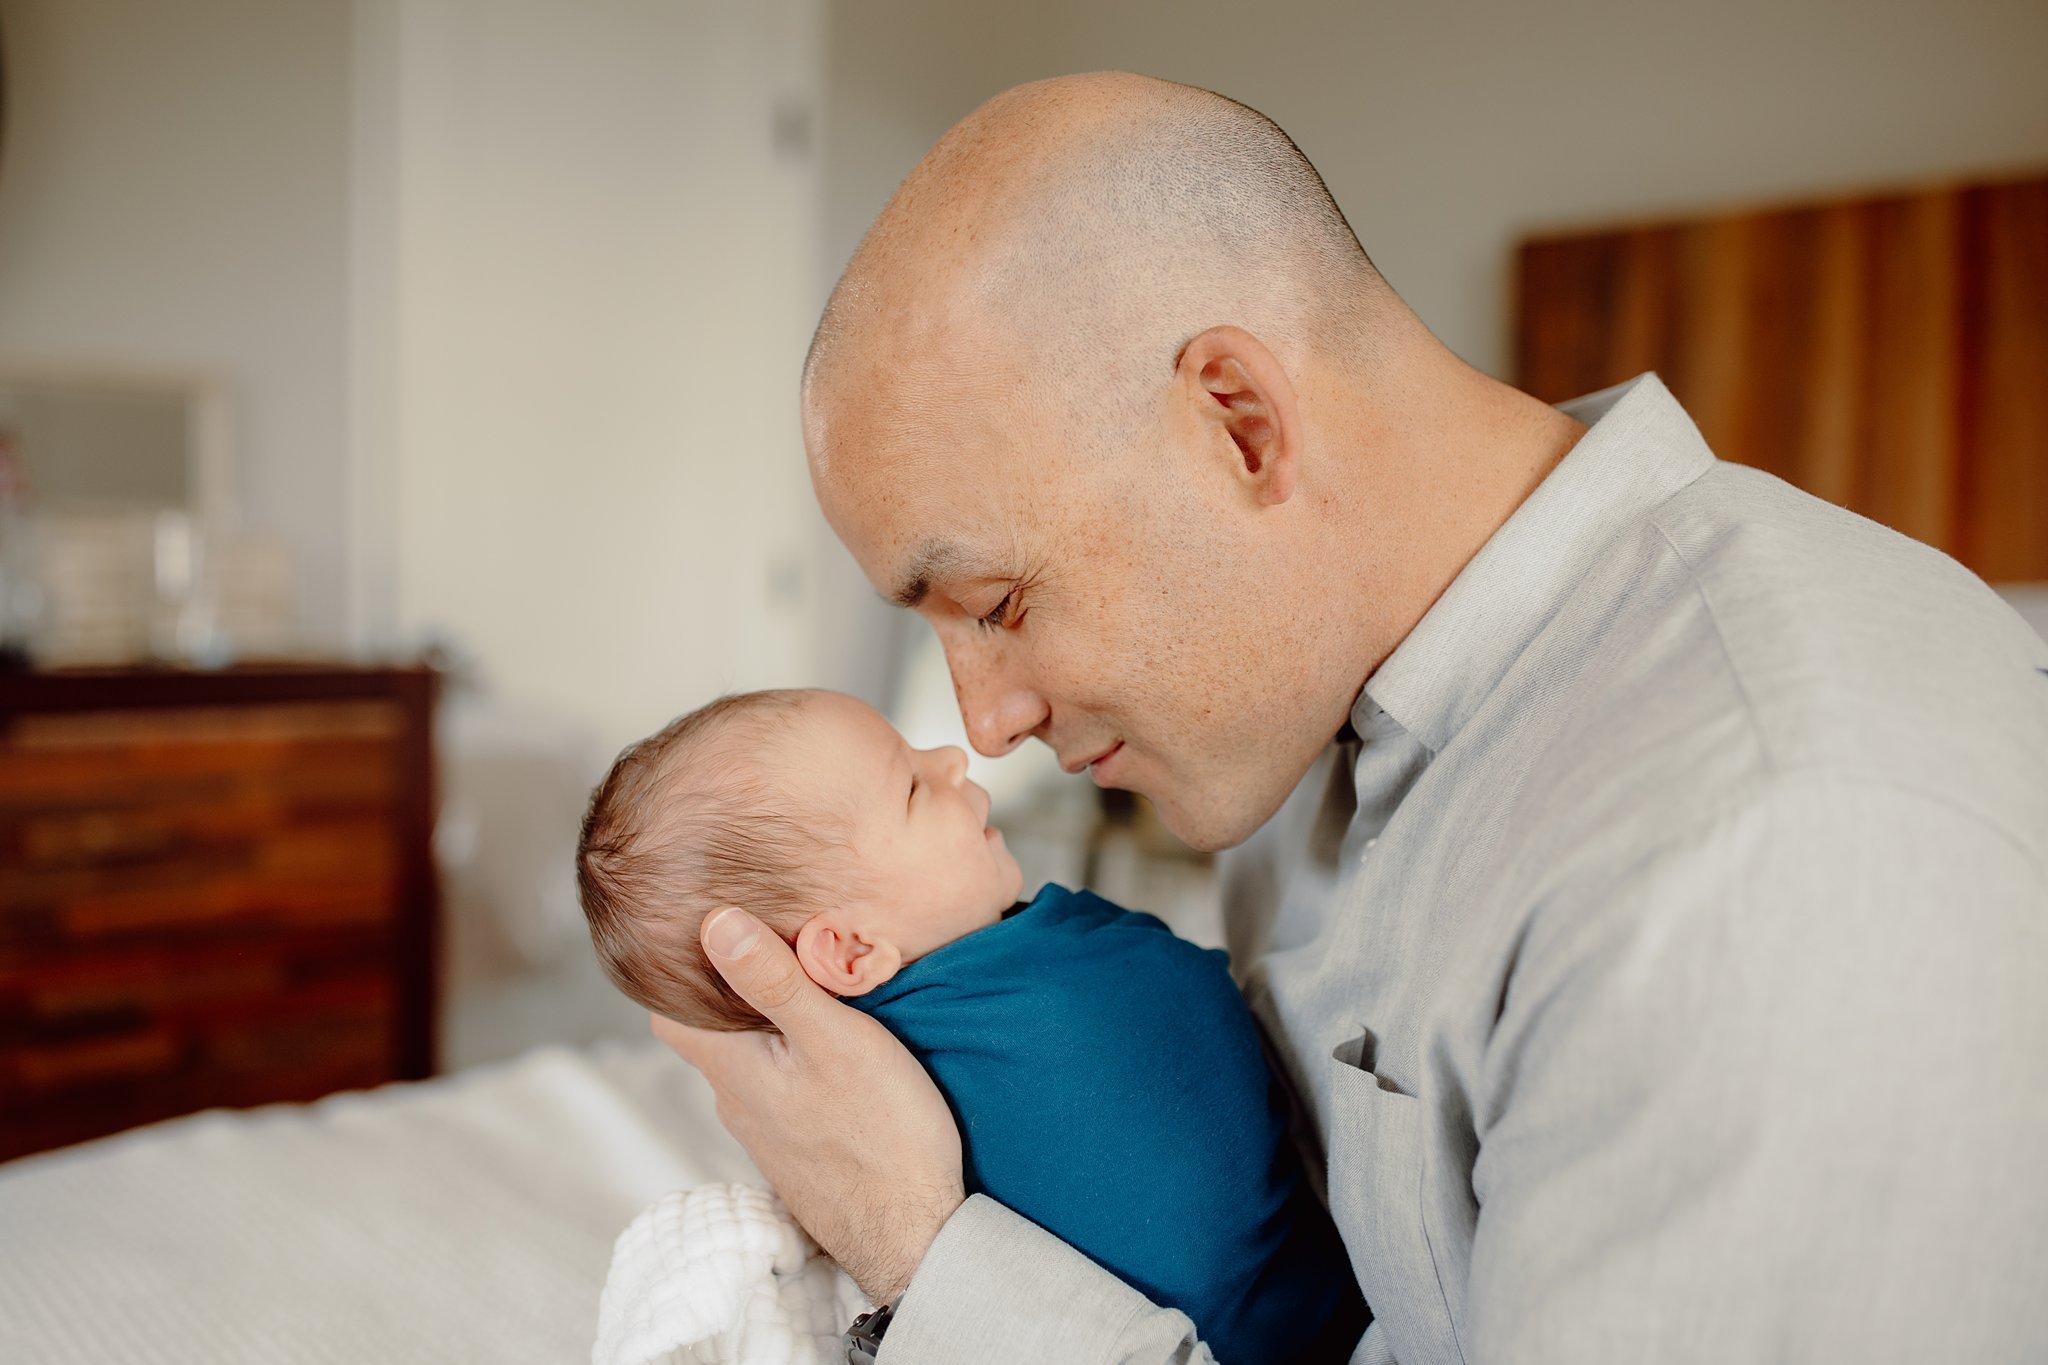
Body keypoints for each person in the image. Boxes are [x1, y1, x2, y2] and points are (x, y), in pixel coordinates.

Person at [653, 72, 2048, 1363]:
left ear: (1241, 425)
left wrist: (924, 1248)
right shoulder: (1322, 719)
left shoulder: (1771, 855)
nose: (988, 721)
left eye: (1000, 604)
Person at [576, 687, 1366, 1363]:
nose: (953, 758)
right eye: (914, 788)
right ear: (850, 951)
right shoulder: (1015, 1017)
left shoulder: (989, 988)